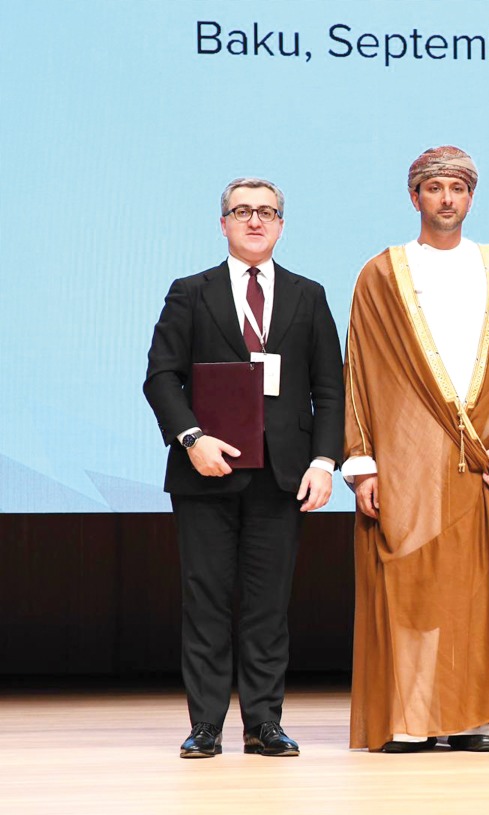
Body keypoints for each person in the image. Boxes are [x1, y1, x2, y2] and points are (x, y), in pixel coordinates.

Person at [342, 146, 489, 753]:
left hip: (487, 460)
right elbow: (361, 374)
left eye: (457, 188)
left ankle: (474, 718)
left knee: (480, 587)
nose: (446, 198)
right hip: (408, 459)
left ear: (471, 197)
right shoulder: (382, 273)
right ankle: (410, 718)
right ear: (414, 197)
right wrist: (363, 462)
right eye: (434, 188)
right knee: (414, 586)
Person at [144, 177, 345, 758]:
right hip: (205, 473)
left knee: (268, 606)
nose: (254, 220)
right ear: (224, 223)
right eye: (241, 211)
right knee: (204, 600)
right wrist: (191, 438)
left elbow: (330, 390)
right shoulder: (191, 291)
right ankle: (205, 725)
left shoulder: (309, 295)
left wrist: (325, 461)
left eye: (266, 212)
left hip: (282, 476)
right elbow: (161, 376)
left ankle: (263, 723)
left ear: (282, 224)